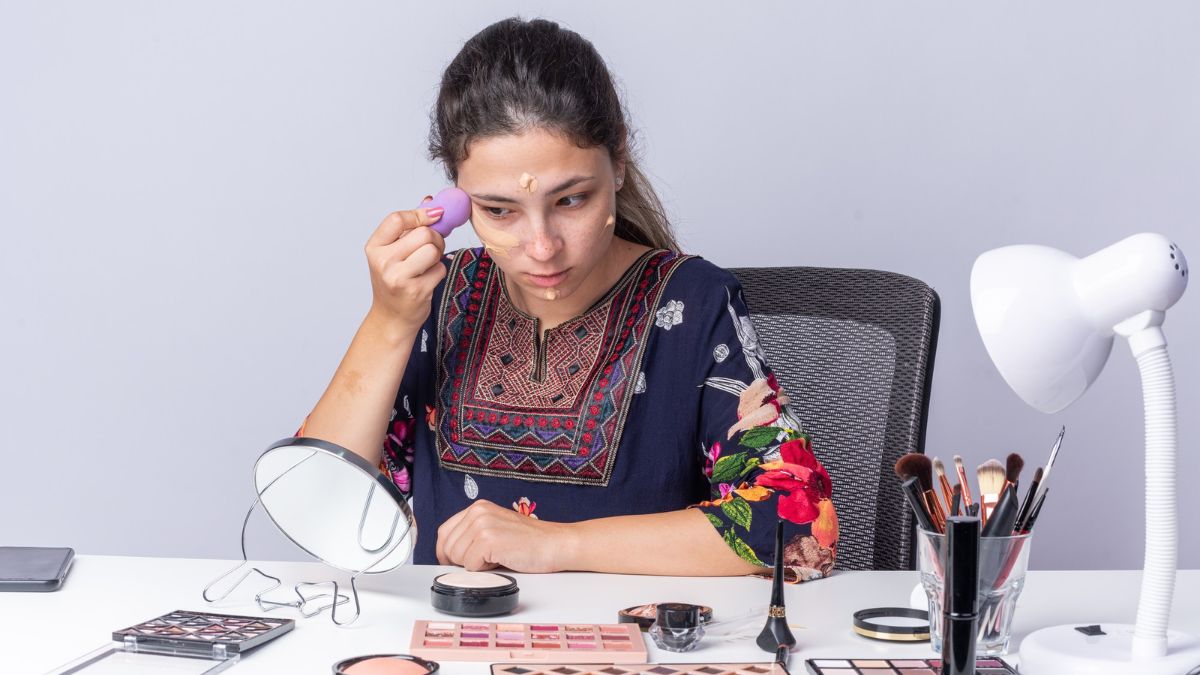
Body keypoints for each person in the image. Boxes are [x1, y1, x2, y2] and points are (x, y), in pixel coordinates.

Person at [300, 17, 838, 579]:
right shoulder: (438, 298)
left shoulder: (693, 303)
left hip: (631, 631)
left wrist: (558, 545)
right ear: (457, 196)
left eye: (572, 200)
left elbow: (801, 530)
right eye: (499, 210)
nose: (542, 247)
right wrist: (388, 322)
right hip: (455, 628)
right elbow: (316, 504)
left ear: (618, 160)